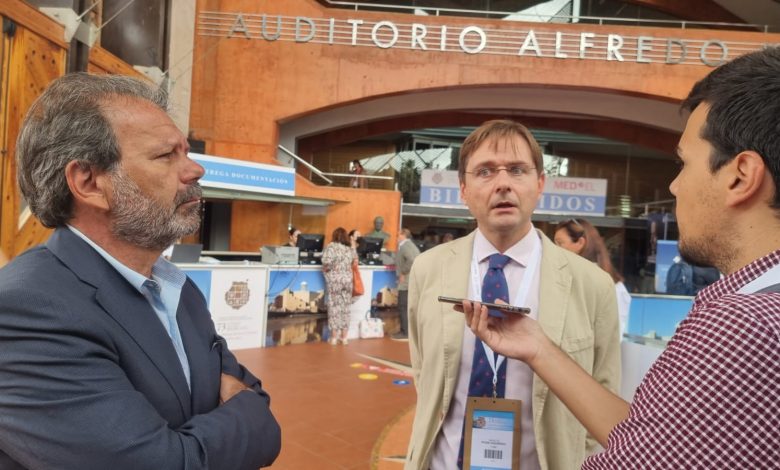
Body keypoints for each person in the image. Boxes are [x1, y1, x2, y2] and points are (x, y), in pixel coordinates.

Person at [461, 47, 780, 468]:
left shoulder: (741, 325)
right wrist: (538, 348)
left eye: (684, 164)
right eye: (485, 171)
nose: (674, 186)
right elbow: (658, 440)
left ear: (741, 175)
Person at [0, 73, 280, 469]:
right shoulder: (27, 310)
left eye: (186, 152)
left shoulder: (176, 288)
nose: (195, 169)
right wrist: (248, 419)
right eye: (166, 155)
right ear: (89, 183)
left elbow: (253, 395)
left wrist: (235, 420)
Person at [405, 119, 621, 470]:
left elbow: (603, 397)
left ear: (540, 184)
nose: (503, 183)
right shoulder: (428, 269)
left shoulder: (592, 284)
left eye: (517, 170)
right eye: (485, 171)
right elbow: (424, 375)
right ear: (463, 189)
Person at [554, 218, 632, 335]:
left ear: (580, 243)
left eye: (560, 243)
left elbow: (612, 334)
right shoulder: (561, 277)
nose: (555, 249)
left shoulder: (610, 287)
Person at [322, 227, 357, 345]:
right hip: (347, 281)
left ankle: (333, 338)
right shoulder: (350, 249)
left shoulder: (331, 247)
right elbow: (355, 262)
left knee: (334, 308)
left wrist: (326, 269)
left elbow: (326, 262)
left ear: (334, 236)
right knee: (346, 308)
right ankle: (344, 337)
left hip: (335, 282)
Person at [392, 228, 420, 340]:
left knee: (402, 306)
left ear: (403, 235)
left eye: (398, 235)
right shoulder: (411, 245)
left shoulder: (404, 246)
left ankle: (405, 332)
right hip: (412, 280)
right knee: (407, 307)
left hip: (406, 282)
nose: (397, 237)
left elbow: (411, 260)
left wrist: (403, 272)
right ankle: (408, 331)